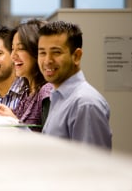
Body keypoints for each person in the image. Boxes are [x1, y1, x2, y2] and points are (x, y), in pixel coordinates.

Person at [37, 21, 112, 149]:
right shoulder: (58, 96)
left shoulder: (85, 104)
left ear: (76, 56)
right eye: (42, 53)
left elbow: (92, 165)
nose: (47, 60)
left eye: (56, 52)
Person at [0, 19, 53, 132]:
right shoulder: (27, 91)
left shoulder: (47, 92)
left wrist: (14, 121)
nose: (13, 56)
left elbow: (51, 143)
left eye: (20, 48)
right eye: (12, 49)